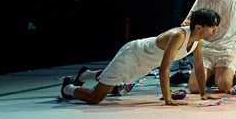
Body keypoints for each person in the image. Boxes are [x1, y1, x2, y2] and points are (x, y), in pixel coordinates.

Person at [60, 8, 220, 105]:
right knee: (96, 98)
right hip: (132, 55)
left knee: (115, 80)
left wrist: (203, 93)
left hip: (145, 64)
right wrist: (168, 98)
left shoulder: (199, 41)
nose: (215, 31)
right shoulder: (178, 35)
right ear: (198, 27)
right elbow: (164, 69)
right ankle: (68, 88)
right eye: (213, 27)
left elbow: (199, 66)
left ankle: (85, 74)